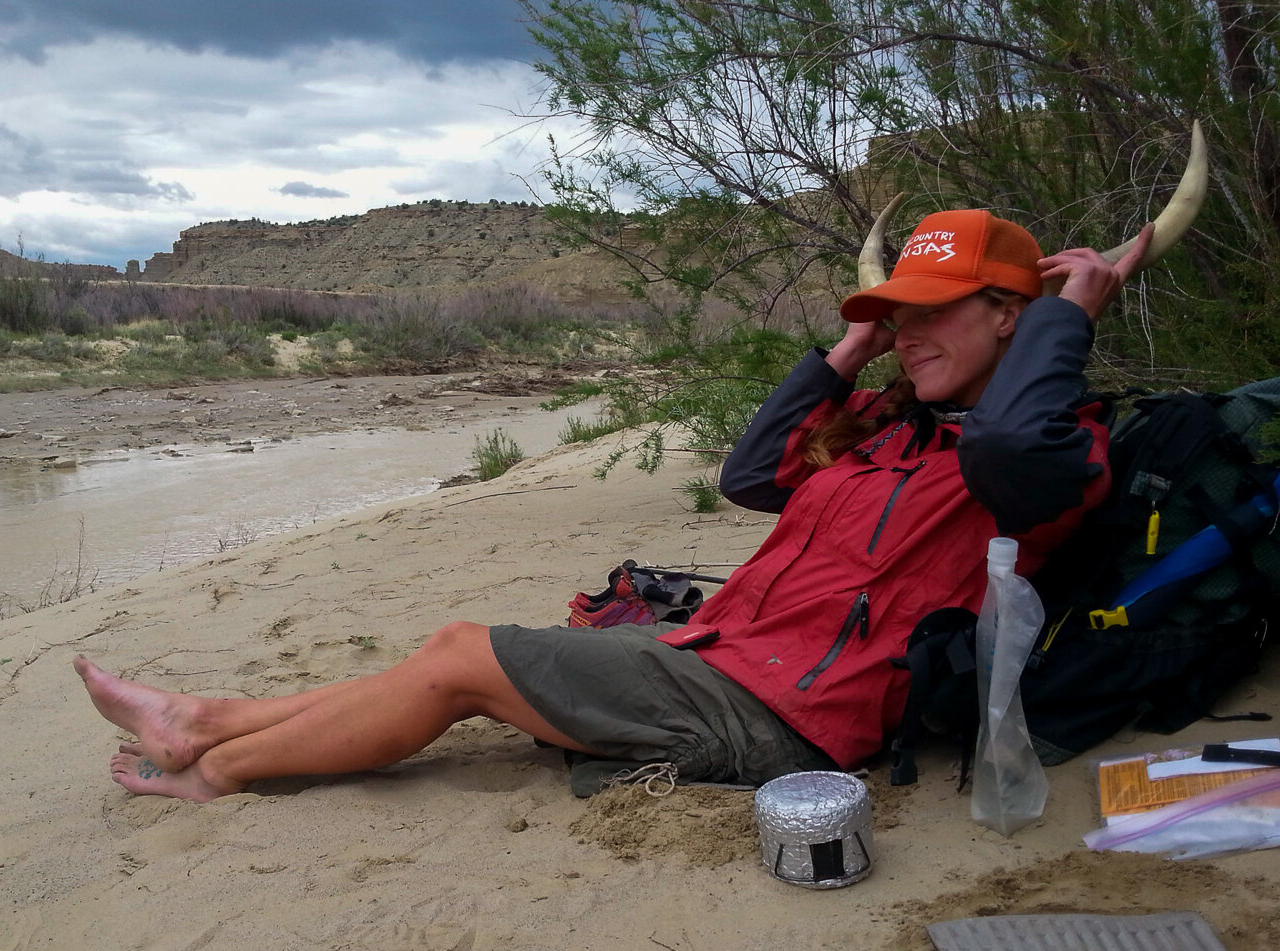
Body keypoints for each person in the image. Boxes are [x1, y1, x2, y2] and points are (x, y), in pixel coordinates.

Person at [75, 209, 1153, 802]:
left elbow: (1017, 436)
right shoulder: (887, 430)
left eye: (934, 314)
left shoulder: (1055, 455)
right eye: (895, 316)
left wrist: (1071, 316)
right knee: (453, 655)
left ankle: (212, 770)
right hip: (721, 661)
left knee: (460, 658)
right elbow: (752, 475)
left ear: (1012, 317)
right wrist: (850, 347)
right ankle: (205, 722)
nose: (906, 333)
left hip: (791, 726)